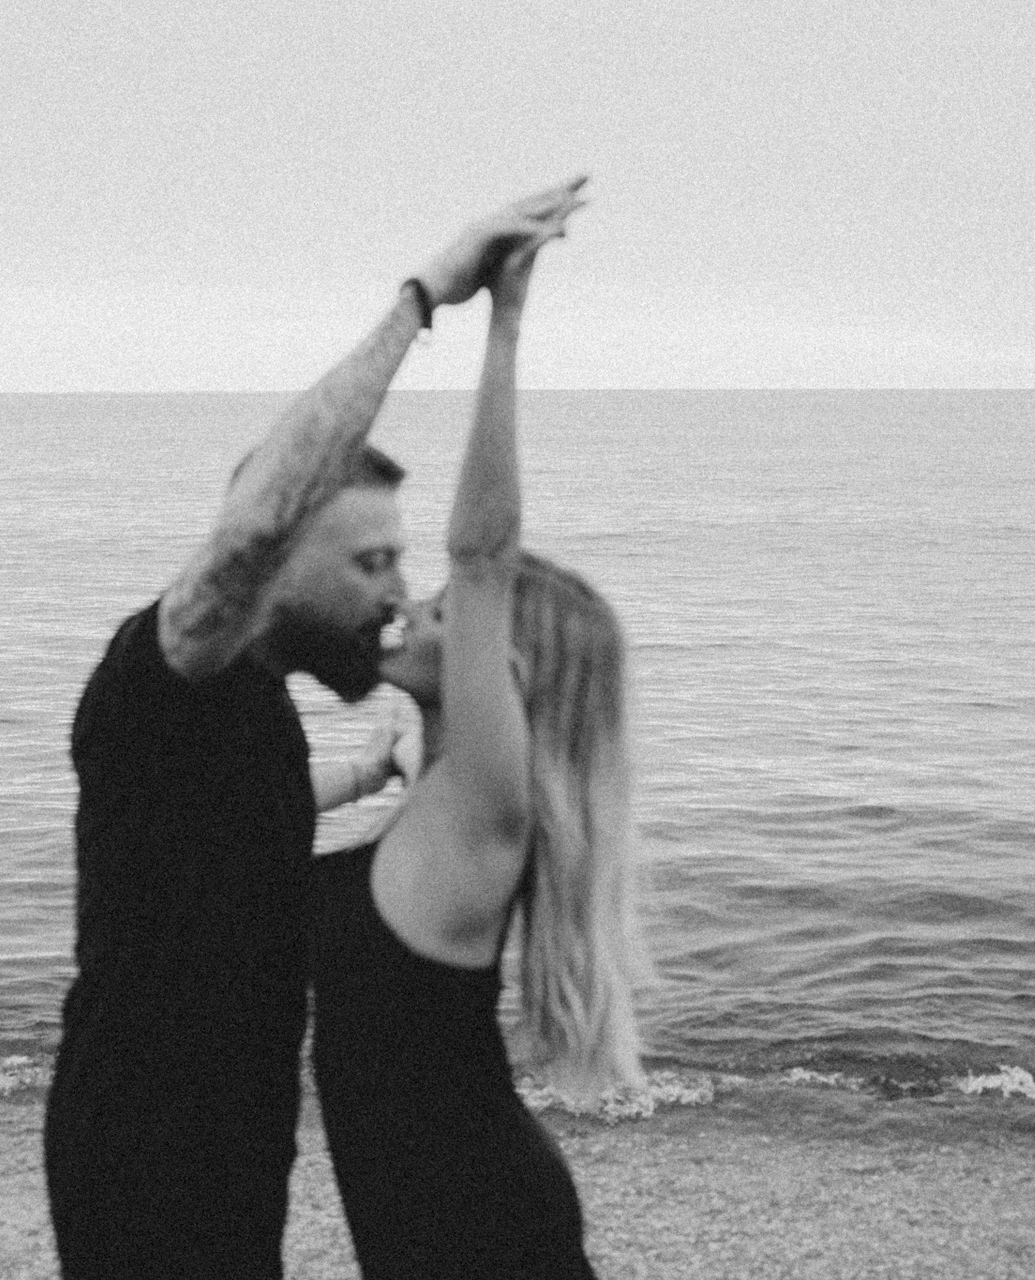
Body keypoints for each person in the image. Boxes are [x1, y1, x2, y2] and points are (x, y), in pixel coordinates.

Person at [44, 180, 594, 1280]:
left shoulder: (252, 707)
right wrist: (424, 298)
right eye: (372, 563)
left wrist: (363, 774)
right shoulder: (170, 672)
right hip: (146, 1161)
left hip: (233, 1161)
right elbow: (256, 521)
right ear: (273, 567)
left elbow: (233, 835)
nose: (397, 596)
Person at [309, 183, 646, 1279]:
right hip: (432, 1228)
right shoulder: (431, 801)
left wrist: (502, 319)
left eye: (446, 614)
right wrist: (360, 772)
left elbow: (482, 552)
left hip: (485, 1229)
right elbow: (251, 827)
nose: (410, 609)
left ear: (505, 672)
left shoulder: (481, 810)